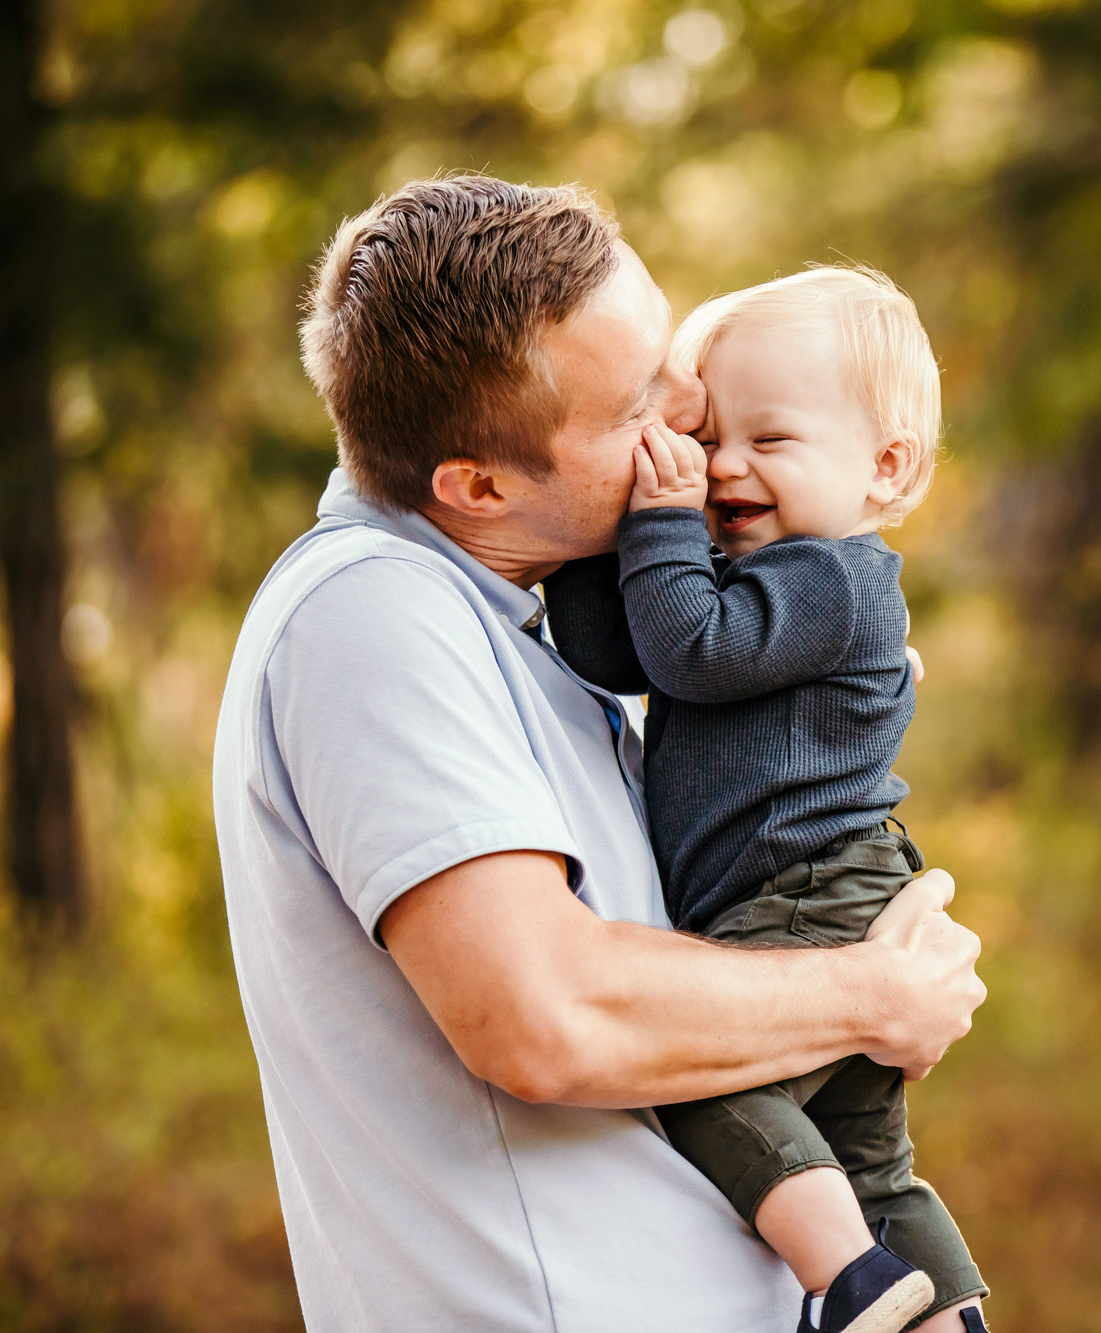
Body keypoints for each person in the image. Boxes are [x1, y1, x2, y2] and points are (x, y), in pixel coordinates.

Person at [209, 173, 987, 1333]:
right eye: (638, 409)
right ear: (476, 485)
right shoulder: (370, 616)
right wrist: (871, 994)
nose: (687, 424)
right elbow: (545, 1012)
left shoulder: (516, 614)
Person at [543, 268, 986, 1333]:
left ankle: (856, 1282)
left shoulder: (836, 581)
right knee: (865, 1152)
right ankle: (947, 1316)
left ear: (886, 468)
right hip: (796, 892)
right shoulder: (753, 570)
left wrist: (657, 518)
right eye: (711, 440)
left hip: (806, 890)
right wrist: (586, 527)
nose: (725, 466)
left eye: (770, 441)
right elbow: (615, 648)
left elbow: (688, 651)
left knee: (699, 1081)